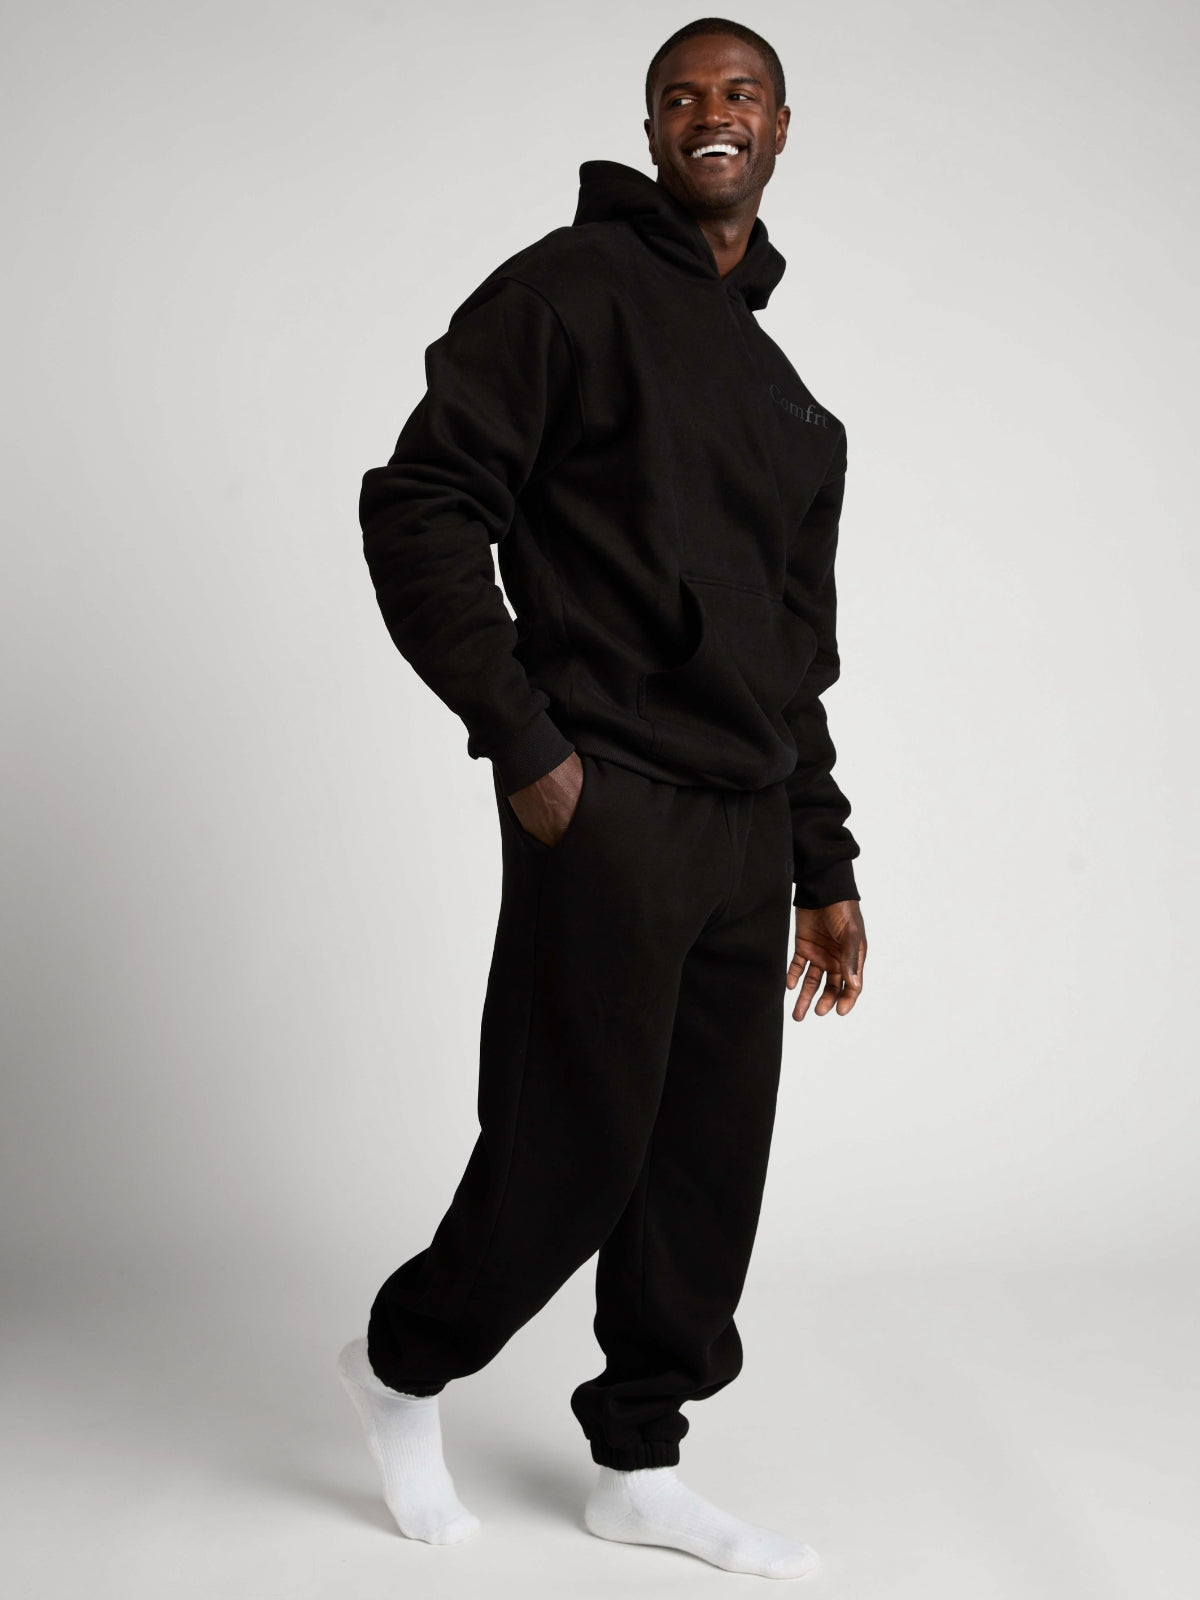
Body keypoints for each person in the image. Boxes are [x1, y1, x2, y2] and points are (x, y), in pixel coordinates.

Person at [339, 14, 868, 1580]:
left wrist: (825, 865)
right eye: (680, 94)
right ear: (650, 133)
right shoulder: (565, 292)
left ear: (782, 127)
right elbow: (422, 503)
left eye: (741, 91)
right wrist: (525, 741)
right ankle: (401, 1364)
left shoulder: (793, 407)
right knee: (569, 1152)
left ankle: (639, 1464)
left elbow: (793, 666)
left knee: (705, 1168)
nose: (713, 112)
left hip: (747, 827)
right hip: (612, 798)